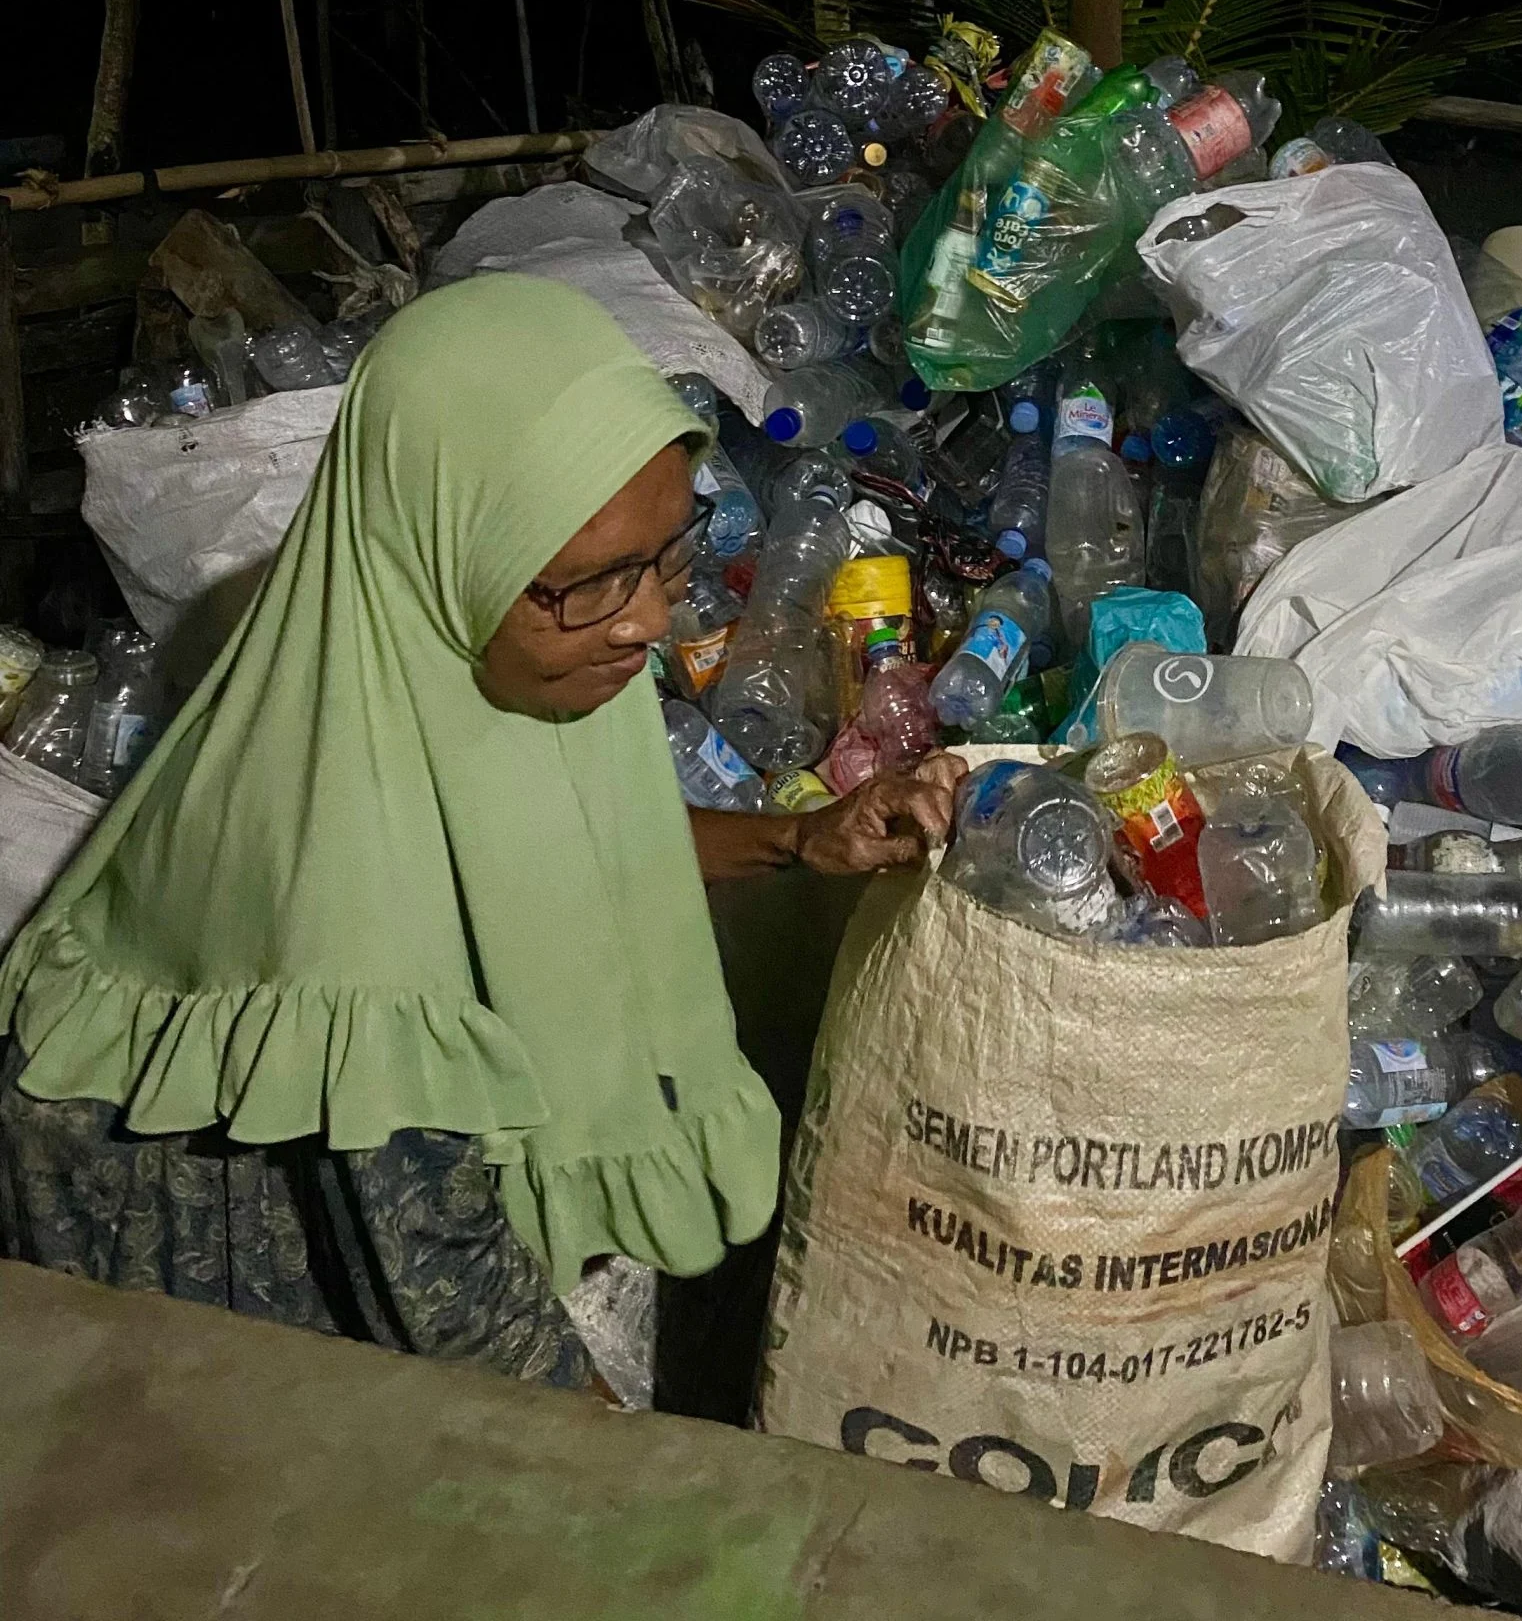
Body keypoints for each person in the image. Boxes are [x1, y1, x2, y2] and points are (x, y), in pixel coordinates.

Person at [0, 274, 962, 1391]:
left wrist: (798, 843)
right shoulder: (349, 896)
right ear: (442, 550)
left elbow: (571, 843)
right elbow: (472, 1332)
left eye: (667, 555)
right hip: (209, 1330)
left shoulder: (480, 658)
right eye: (598, 582)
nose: (650, 620)